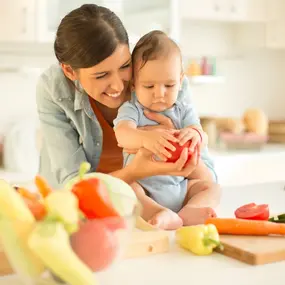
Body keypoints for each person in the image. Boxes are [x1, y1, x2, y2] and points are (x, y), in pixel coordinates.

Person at [35, 4, 218, 219]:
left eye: (124, 66)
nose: (119, 86)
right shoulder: (54, 89)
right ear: (69, 71)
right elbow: (74, 188)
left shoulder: (159, 76)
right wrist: (136, 171)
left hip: (160, 208)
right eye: (101, 75)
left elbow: (207, 173)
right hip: (84, 212)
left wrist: (187, 145)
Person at [114, 31, 220, 230]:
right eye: (149, 85)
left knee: (211, 188)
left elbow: (201, 135)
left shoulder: (183, 110)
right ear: (135, 84)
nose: (159, 94)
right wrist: (145, 138)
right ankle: (158, 213)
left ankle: (188, 211)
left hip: (180, 185)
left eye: (169, 85)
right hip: (145, 188)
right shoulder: (132, 109)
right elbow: (122, 134)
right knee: (128, 190)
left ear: (180, 81)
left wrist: (196, 134)